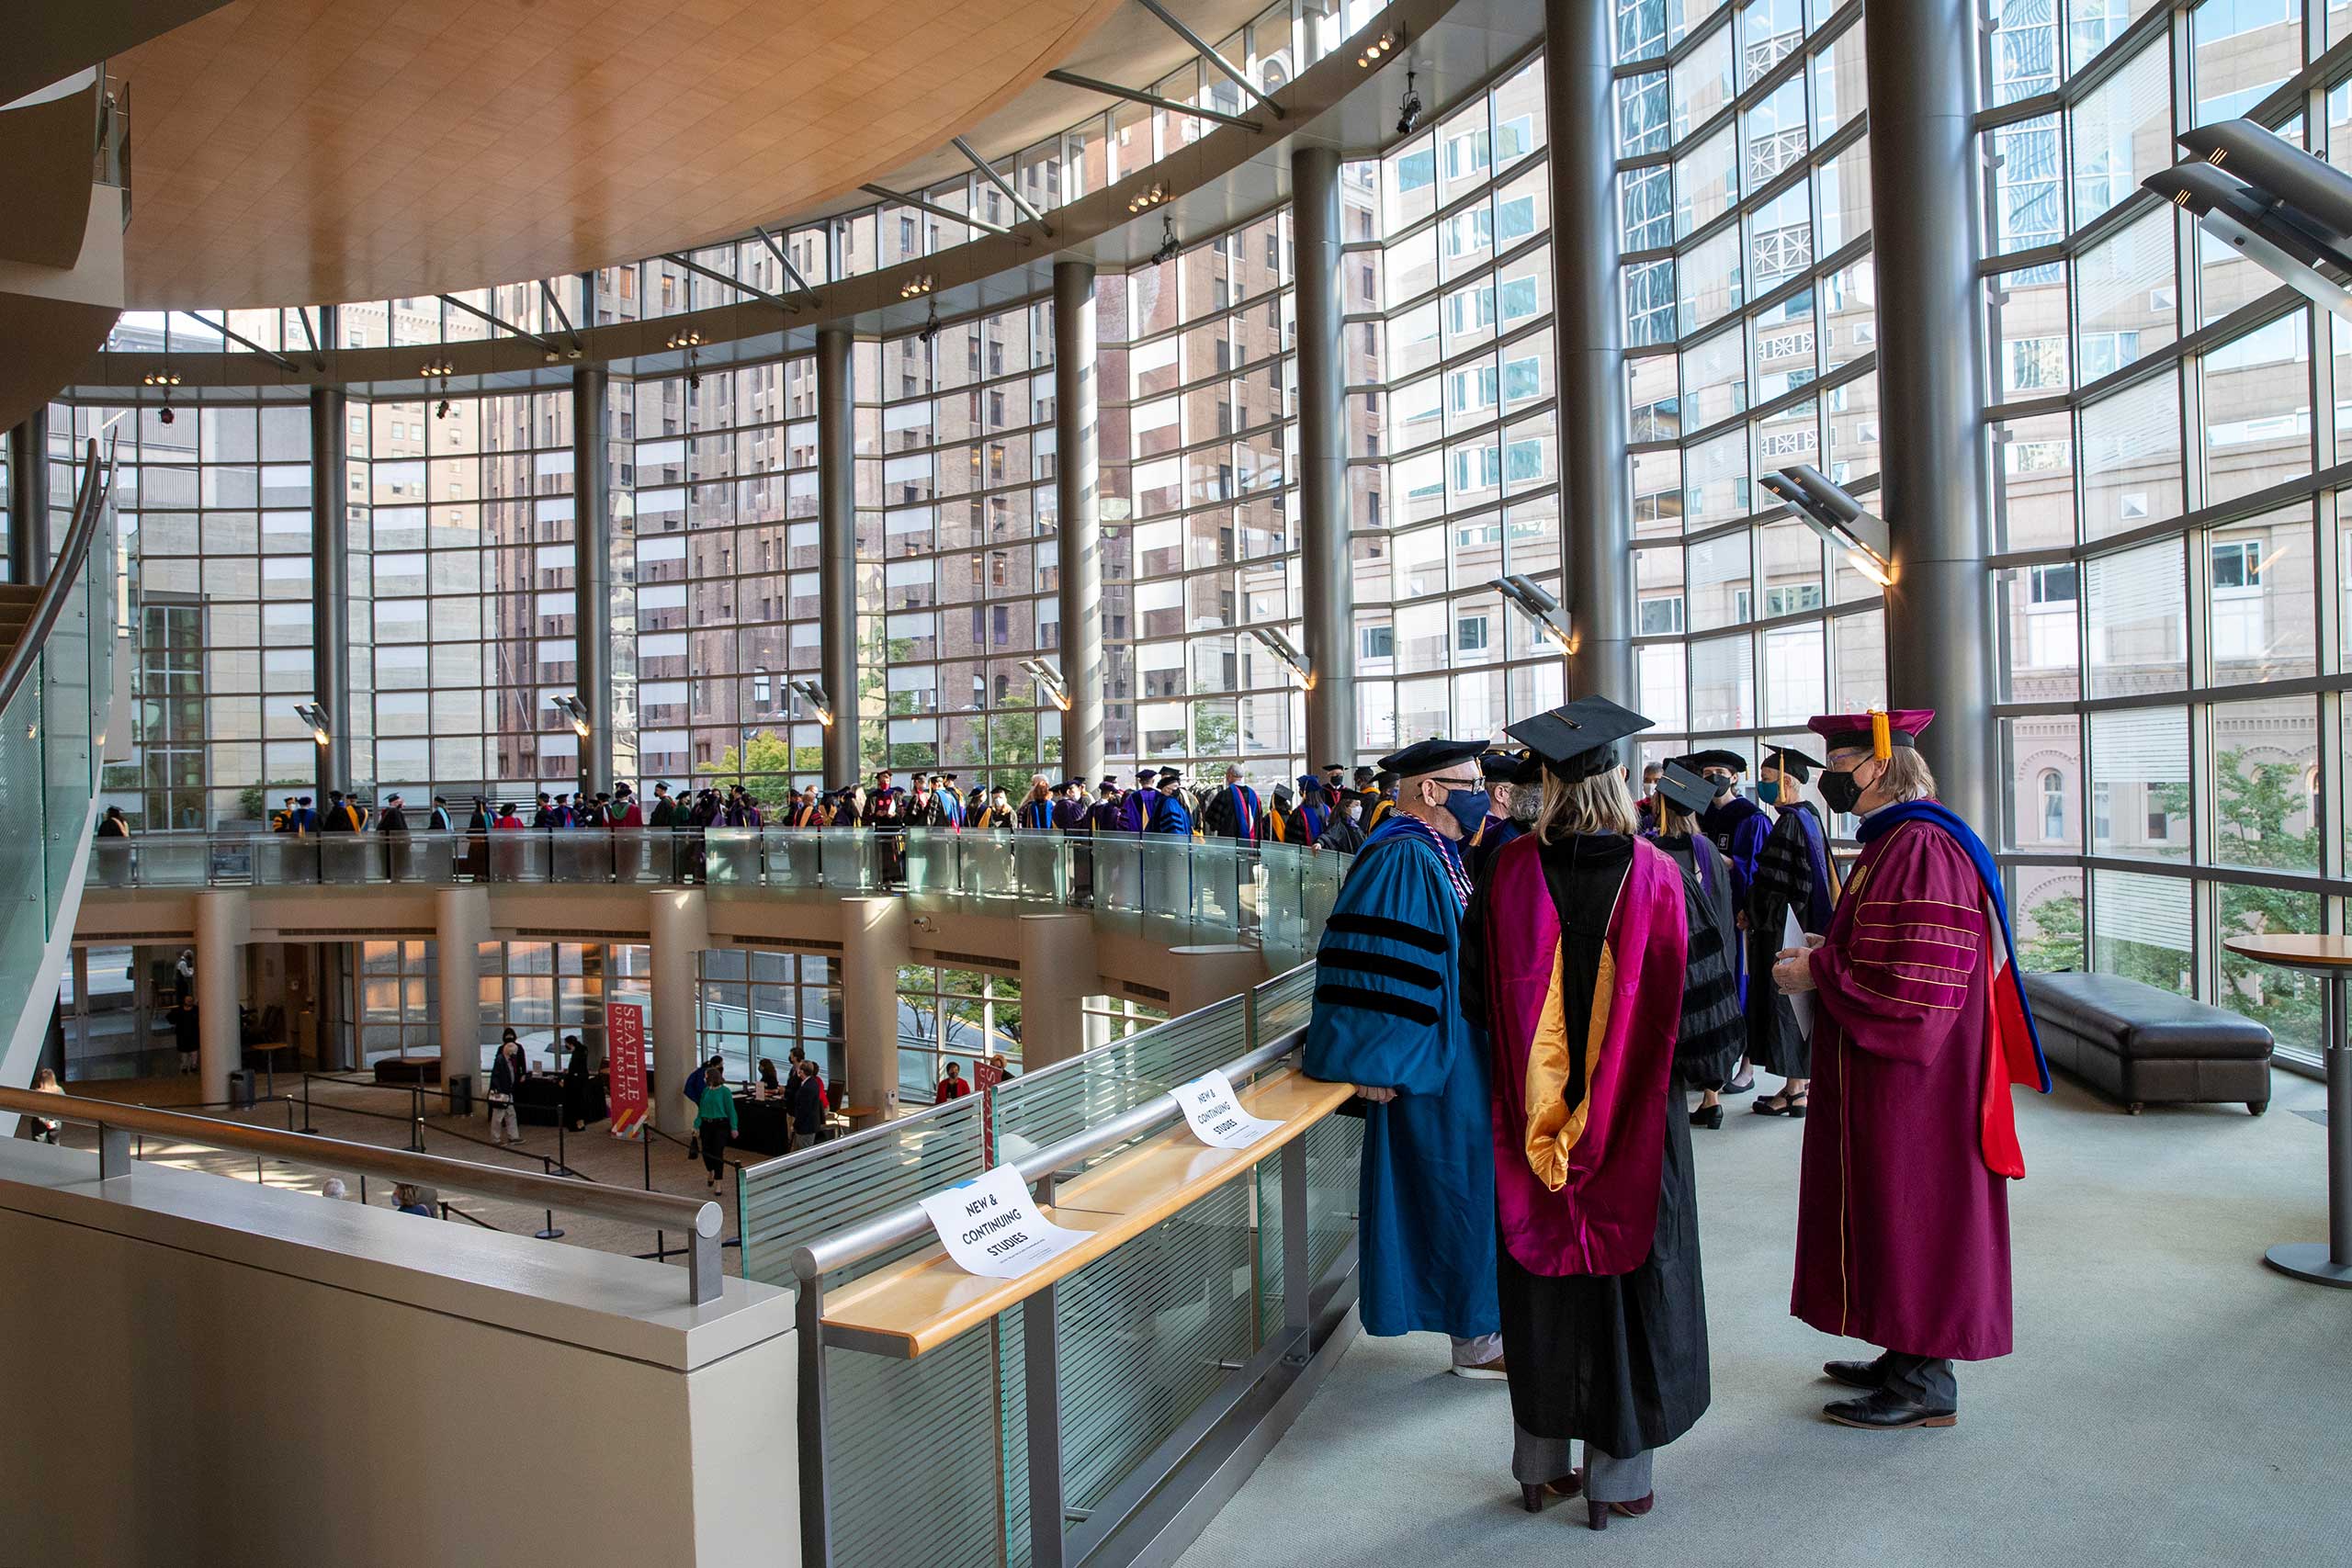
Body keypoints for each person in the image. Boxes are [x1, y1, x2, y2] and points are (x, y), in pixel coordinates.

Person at [1466, 695, 1725, 1528]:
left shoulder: (1505, 872)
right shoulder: (1660, 874)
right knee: (1629, 1287)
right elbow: (1700, 1016)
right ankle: (1619, 1479)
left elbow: (1477, 1000)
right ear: (1619, 781)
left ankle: (1539, 1467)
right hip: (1639, 1127)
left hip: (1530, 1129)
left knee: (1541, 1281)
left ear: (1546, 781)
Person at [1772, 709, 2051, 1430]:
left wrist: (1817, 970)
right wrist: (1827, 954)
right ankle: (1905, 1352)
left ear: (1876, 767)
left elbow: (1915, 984)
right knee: (1890, 1208)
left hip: (1919, 1083)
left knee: (1917, 1209)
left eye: (1841, 763)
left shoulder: (1922, 845)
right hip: (1895, 1075)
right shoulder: (1899, 841)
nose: (1831, 776)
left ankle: (1927, 1378)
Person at [1301, 735, 1501, 1378]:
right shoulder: (1402, 858)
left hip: (1452, 1048)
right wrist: (1380, 1062)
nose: (1483, 793)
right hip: (1427, 1064)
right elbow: (1380, 966)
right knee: (1453, 1188)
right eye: (1469, 782)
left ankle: (1482, 1326)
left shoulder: (1437, 851)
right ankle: (1476, 1338)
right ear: (1430, 790)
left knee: (1467, 1186)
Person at [1648, 762, 1747, 1129]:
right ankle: (1712, 1098)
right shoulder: (1706, 848)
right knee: (1709, 1014)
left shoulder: (1653, 850)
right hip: (1713, 947)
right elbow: (1721, 902)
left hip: (1676, 948)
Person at [1746, 746, 1838, 1120]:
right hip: (1806, 922)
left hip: (1787, 926)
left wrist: (1750, 911)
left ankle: (1796, 1090)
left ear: (1786, 781)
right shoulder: (1811, 817)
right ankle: (1794, 1087)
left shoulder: (1789, 822)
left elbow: (1775, 882)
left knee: (1788, 1000)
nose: (1764, 789)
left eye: (1768, 781)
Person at [1465, 750, 1534, 885]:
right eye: (1520, 791)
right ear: (1500, 793)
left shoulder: (1472, 827)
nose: (1526, 797)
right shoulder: (1497, 834)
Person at [695, 1061, 739, 1191]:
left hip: (720, 1125)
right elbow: (701, 1110)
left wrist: (734, 1127)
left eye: (706, 1076)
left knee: (718, 1153)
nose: (704, 1078)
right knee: (706, 1152)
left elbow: (731, 1110)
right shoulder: (706, 1091)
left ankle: (719, 1183)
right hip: (706, 1125)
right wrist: (696, 1125)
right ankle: (710, 1171)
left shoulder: (725, 1091)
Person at [1201, 765, 1261, 843]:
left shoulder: (1225, 795)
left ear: (1229, 775)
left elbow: (1211, 818)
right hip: (1251, 843)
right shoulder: (1255, 795)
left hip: (1229, 844)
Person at [488, 1030, 527, 1146]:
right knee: (498, 1116)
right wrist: (500, 1092)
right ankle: (495, 1139)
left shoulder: (507, 1060)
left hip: (507, 1091)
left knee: (511, 1114)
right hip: (501, 1093)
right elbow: (496, 1078)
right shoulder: (500, 1061)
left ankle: (513, 1136)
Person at [789, 1058, 828, 1151]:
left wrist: (795, 1124)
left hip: (806, 1126)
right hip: (809, 1124)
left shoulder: (807, 1088)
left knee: (805, 1150)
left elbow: (803, 1109)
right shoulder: (812, 1082)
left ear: (801, 1071)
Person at [562, 1033, 594, 1133]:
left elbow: (574, 1068)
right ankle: (581, 1123)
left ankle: (577, 1124)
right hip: (583, 1079)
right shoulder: (583, 1049)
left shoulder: (576, 1053)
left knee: (576, 1103)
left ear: (570, 1044)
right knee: (581, 1102)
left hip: (576, 1082)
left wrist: (567, 1076)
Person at [1146, 770, 1193, 836]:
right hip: (1174, 842)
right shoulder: (1170, 803)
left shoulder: (1162, 800)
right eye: (1175, 787)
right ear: (1167, 789)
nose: (1177, 789)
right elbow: (1174, 827)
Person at [28, 1066, 63, 1144]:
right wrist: (54, 1121)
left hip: (40, 1124)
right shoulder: (59, 1091)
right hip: (55, 1122)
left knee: (38, 1145)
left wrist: (46, 1122)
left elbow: (36, 1110)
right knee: (55, 1144)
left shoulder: (37, 1093)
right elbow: (63, 1107)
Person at [1634, 762, 1665, 834]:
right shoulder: (1636, 807)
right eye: (1647, 780)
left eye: (1657, 781)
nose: (1651, 784)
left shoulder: (1669, 810)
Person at [173, 994, 200, 1076]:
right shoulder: (178, 1010)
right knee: (183, 1052)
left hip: (194, 1033)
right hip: (182, 1033)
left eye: (191, 1000)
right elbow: (171, 1018)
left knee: (194, 1051)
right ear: (184, 1001)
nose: (189, 1001)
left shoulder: (197, 1009)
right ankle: (184, 1066)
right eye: (187, 1000)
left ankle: (194, 1066)